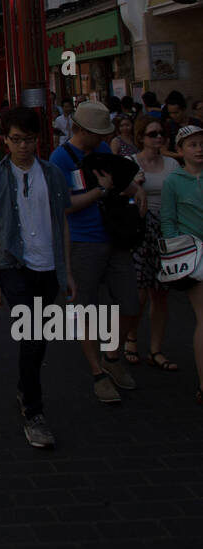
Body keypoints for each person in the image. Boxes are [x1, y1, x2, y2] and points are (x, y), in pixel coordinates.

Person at [0, 108, 74, 447]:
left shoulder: (52, 175)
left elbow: (62, 224)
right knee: (32, 335)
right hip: (13, 267)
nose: (22, 146)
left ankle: (25, 388)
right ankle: (34, 412)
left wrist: (67, 271)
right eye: (16, 140)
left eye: (29, 139)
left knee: (38, 339)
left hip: (48, 268)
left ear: (38, 140)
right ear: (5, 141)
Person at [49, 101, 145, 403]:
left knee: (131, 302)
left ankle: (112, 357)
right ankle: (97, 372)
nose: (104, 138)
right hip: (82, 240)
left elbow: (120, 182)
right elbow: (64, 206)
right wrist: (100, 192)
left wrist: (135, 190)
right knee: (85, 309)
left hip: (115, 236)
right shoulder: (60, 159)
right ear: (82, 130)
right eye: (98, 133)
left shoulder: (103, 152)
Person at [126, 118, 179, 369]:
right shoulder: (132, 164)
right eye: (152, 134)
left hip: (166, 229)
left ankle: (156, 349)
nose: (158, 138)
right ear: (141, 138)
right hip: (140, 229)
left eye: (161, 134)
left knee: (161, 292)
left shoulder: (171, 164)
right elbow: (119, 195)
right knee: (139, 292)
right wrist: (135, 186)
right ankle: (131, 336)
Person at [161, 124, 203, 403]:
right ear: (180, 150)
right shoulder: (173, 181)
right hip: (194, 255)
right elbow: (168, 220)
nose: (199, 149)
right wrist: (179, 251)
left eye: (202, 143)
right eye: (192, 145)